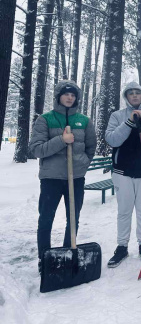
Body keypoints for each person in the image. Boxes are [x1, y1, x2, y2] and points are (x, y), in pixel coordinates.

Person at [29, 80, 97, 272]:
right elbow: (36, 149)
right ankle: (45, 258)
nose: (69, 97)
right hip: (51, 179)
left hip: (75, 178)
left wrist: (83, 162)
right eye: (66, 94)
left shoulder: (84, 121)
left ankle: (69, 252)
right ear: (59, 96)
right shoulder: (45, 119)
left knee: (73, 218)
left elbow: (91, 147)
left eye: (73, 95)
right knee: (46, 219)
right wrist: (62, 140)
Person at [105, 82, 141, 267]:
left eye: (137, 93)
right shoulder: (117, 116)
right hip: (123, 171)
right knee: (124, 211)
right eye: (130, 93)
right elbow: (112, 139)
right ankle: (122, 246)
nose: (134, 96)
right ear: (126, 97)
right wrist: (129, 122)